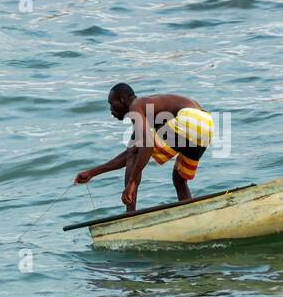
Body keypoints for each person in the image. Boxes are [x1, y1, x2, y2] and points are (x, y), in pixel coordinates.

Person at [75, 83, 215, 212]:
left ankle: (130, 215)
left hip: (191, 119)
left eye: (112, 104)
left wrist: (132, 183)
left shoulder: (136, 105)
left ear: (122, 100)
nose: (111, 110)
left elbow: (140, 149)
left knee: (136, 154)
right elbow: (130, 152)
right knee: (178, 178)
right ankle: (189, 214)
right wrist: (92, 173)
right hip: (207, 123)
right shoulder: (145, 111)